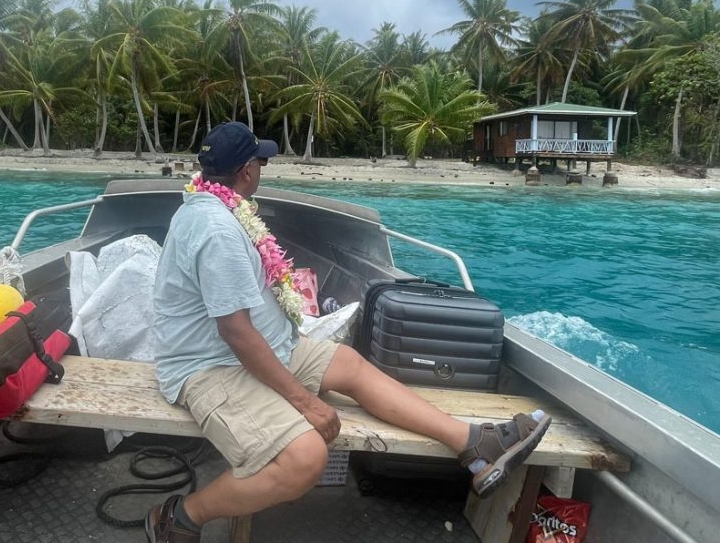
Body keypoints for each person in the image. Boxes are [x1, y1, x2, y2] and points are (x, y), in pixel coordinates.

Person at [146, 122, 550, 542]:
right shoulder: (216, 229)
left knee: (350, 365)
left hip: (263, 348)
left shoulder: (217, 206)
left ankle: (475, 444)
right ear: (247, 171)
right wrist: (307, 403)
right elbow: (235, 331)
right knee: (305, 460)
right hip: (212, 367)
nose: (263, 169)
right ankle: (180, 515)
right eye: (261, 162)